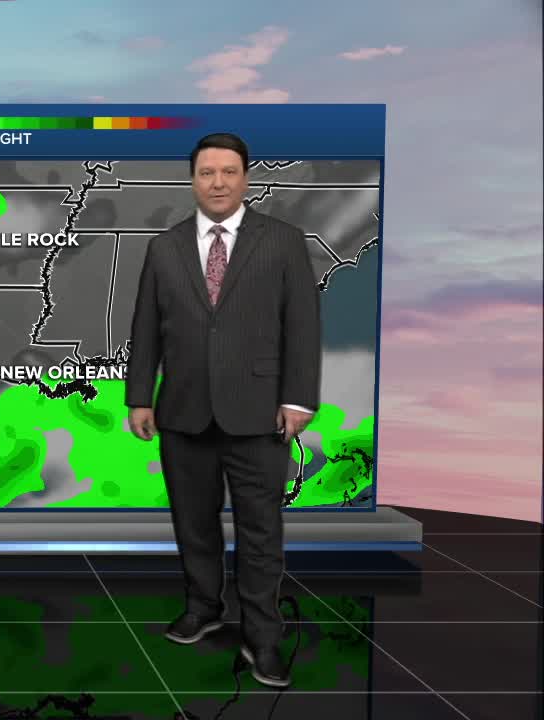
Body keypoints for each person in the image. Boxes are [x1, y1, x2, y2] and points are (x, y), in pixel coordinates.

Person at [125, 132, 321, 688]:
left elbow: (303, 325)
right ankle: (202, 607)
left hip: (260, 415)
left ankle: (263, 638)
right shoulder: (164, 248)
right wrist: (140, 396)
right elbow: (146, 328)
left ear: (245, 178)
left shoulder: (283, 241)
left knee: (261, 531)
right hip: (182, 411)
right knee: (194, 523)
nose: (217, 183)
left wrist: (298, 399)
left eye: (228, 172)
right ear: (193, 180)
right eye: (207, 172)